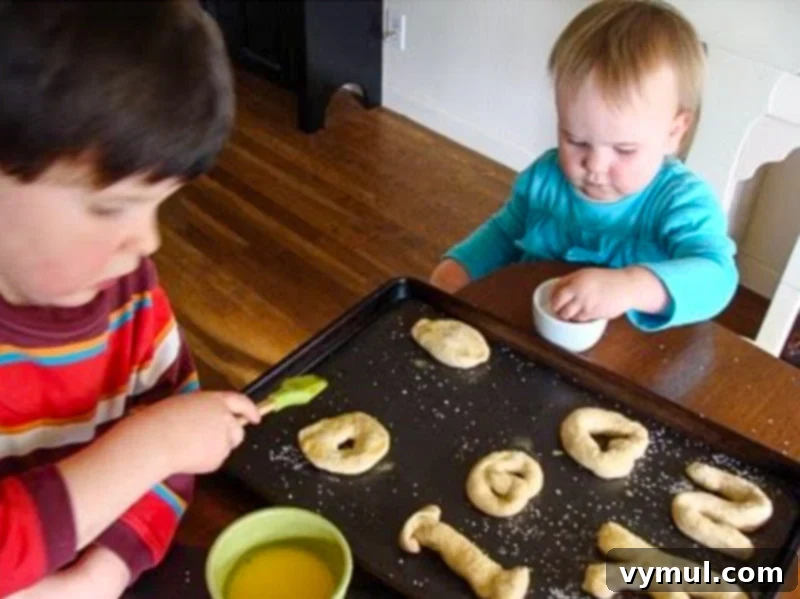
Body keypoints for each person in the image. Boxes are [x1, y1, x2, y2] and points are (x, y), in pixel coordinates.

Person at [0, 2, 261, 597]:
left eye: (159, 205)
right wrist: (150, 444)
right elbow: (167, 440)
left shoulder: (131, 297)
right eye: (110, 208)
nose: (148, 241)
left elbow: (180, 428)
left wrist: (106, 570)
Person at [430, 0, 737, 331]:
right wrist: (459, 268)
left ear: (673, 133)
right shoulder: (545, 179)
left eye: (624, 149)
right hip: (531, 330)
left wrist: (632, 285)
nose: (595, 165)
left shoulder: (681, 202)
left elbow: (717, 275)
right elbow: (505, 233)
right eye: (575, 140)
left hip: (632, 356)